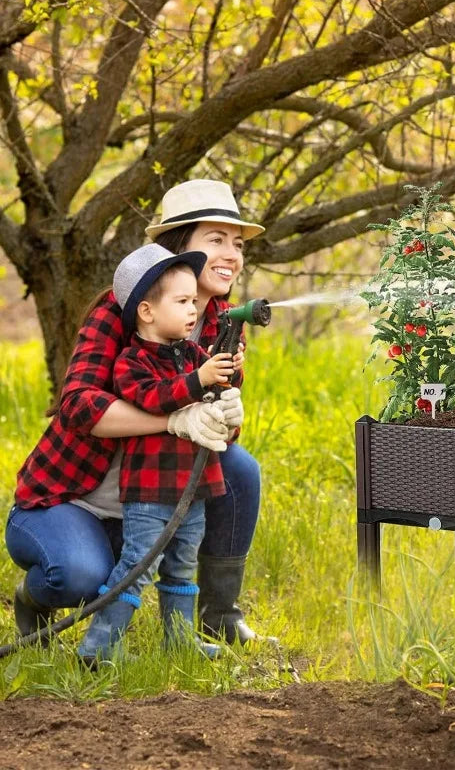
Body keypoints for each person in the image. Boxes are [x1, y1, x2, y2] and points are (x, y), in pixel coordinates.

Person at [8, 179, 264, 645]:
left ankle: (218, 615)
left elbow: (216, 442)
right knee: (78, 577)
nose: (231, 254)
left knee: (240, 470)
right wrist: (170, 418)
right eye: (216, 240)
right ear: (179, 249)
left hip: (152, 489)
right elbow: (79, 405)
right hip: (75, 497)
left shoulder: (224, 322)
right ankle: (32, 596)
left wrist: (226, 413)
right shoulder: (123, 308)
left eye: (238, 243)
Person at [78, 244, 236, 663]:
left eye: (194, 301)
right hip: (149, 493)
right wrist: (198, 379)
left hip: (193, 488)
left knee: (182, 567)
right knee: (137, 565)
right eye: (183, 301)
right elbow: (151, 398)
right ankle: (100, 646)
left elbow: (213, 395)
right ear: (147, 312)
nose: (193, 310)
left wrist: (228, 380)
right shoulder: (131, 362)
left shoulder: (193, 354)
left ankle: (179, 640)